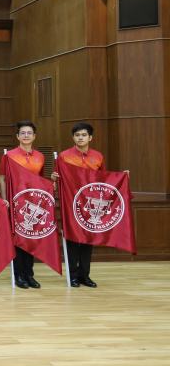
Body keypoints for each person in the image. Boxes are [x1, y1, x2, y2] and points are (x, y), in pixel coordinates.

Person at [51, 123, 110, 288]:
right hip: (71, 204)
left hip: (91, 206)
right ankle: (73, 276)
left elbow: (103, 181)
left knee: (87, 240)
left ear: (90, 137)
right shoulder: (64, 156)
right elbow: (56, 180)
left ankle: (85, 275)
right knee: (71, 239)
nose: (80, 138)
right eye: (77, 135)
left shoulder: (98, 156)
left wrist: (122, 179)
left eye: (84, 135)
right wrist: (54, 178)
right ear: (73, 137)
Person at [0, 121, 46, 289]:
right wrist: (4, 199)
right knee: (18, 240)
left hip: (33, 204)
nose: (26, 136)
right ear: (17, 136)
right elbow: (3, 179)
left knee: (31, 239)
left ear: (34, 136)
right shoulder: (9, 155)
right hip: (16, 203)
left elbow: (41, 181)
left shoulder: (40, 156)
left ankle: (29, 274)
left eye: (29, 133)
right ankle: (19, 274)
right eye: (23, 133)